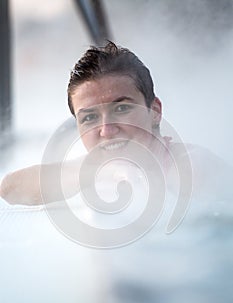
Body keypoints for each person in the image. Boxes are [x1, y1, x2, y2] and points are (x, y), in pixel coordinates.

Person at [0, 41, 232, 206]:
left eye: (122, 108)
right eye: (89, 117)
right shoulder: (97, 167)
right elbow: (9, 189)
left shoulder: (193, 166)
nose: (107, 130)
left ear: (155, 111)